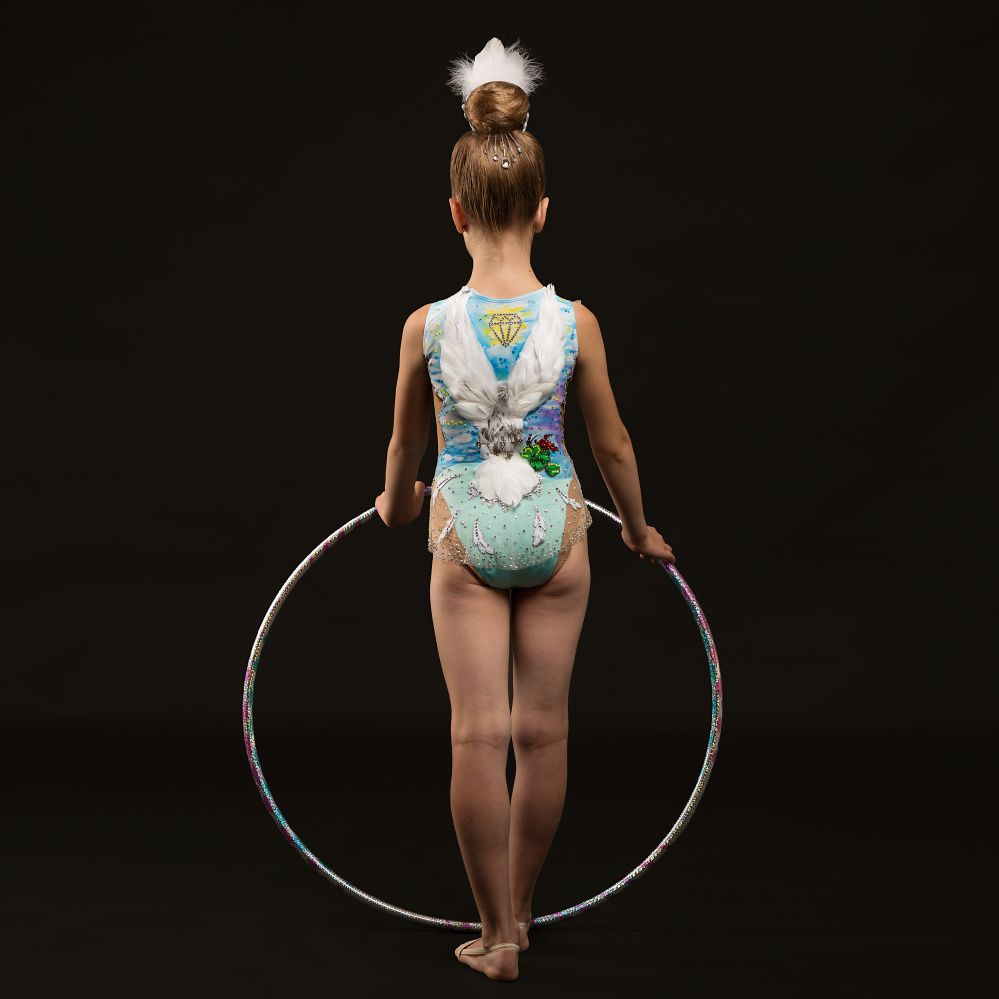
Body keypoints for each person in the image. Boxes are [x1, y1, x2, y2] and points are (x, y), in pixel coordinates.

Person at [374, 37, 674, 982]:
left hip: (464, 526)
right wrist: (636, 527)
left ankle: (494, 931)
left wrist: (394, 505)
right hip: (554, 524)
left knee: (477, 732)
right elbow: (612, 445)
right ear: (543, 209)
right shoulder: (573, 322)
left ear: (455, 210)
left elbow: (407, 453)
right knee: (543, 731)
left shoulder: (427, 327)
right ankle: (524, 912)